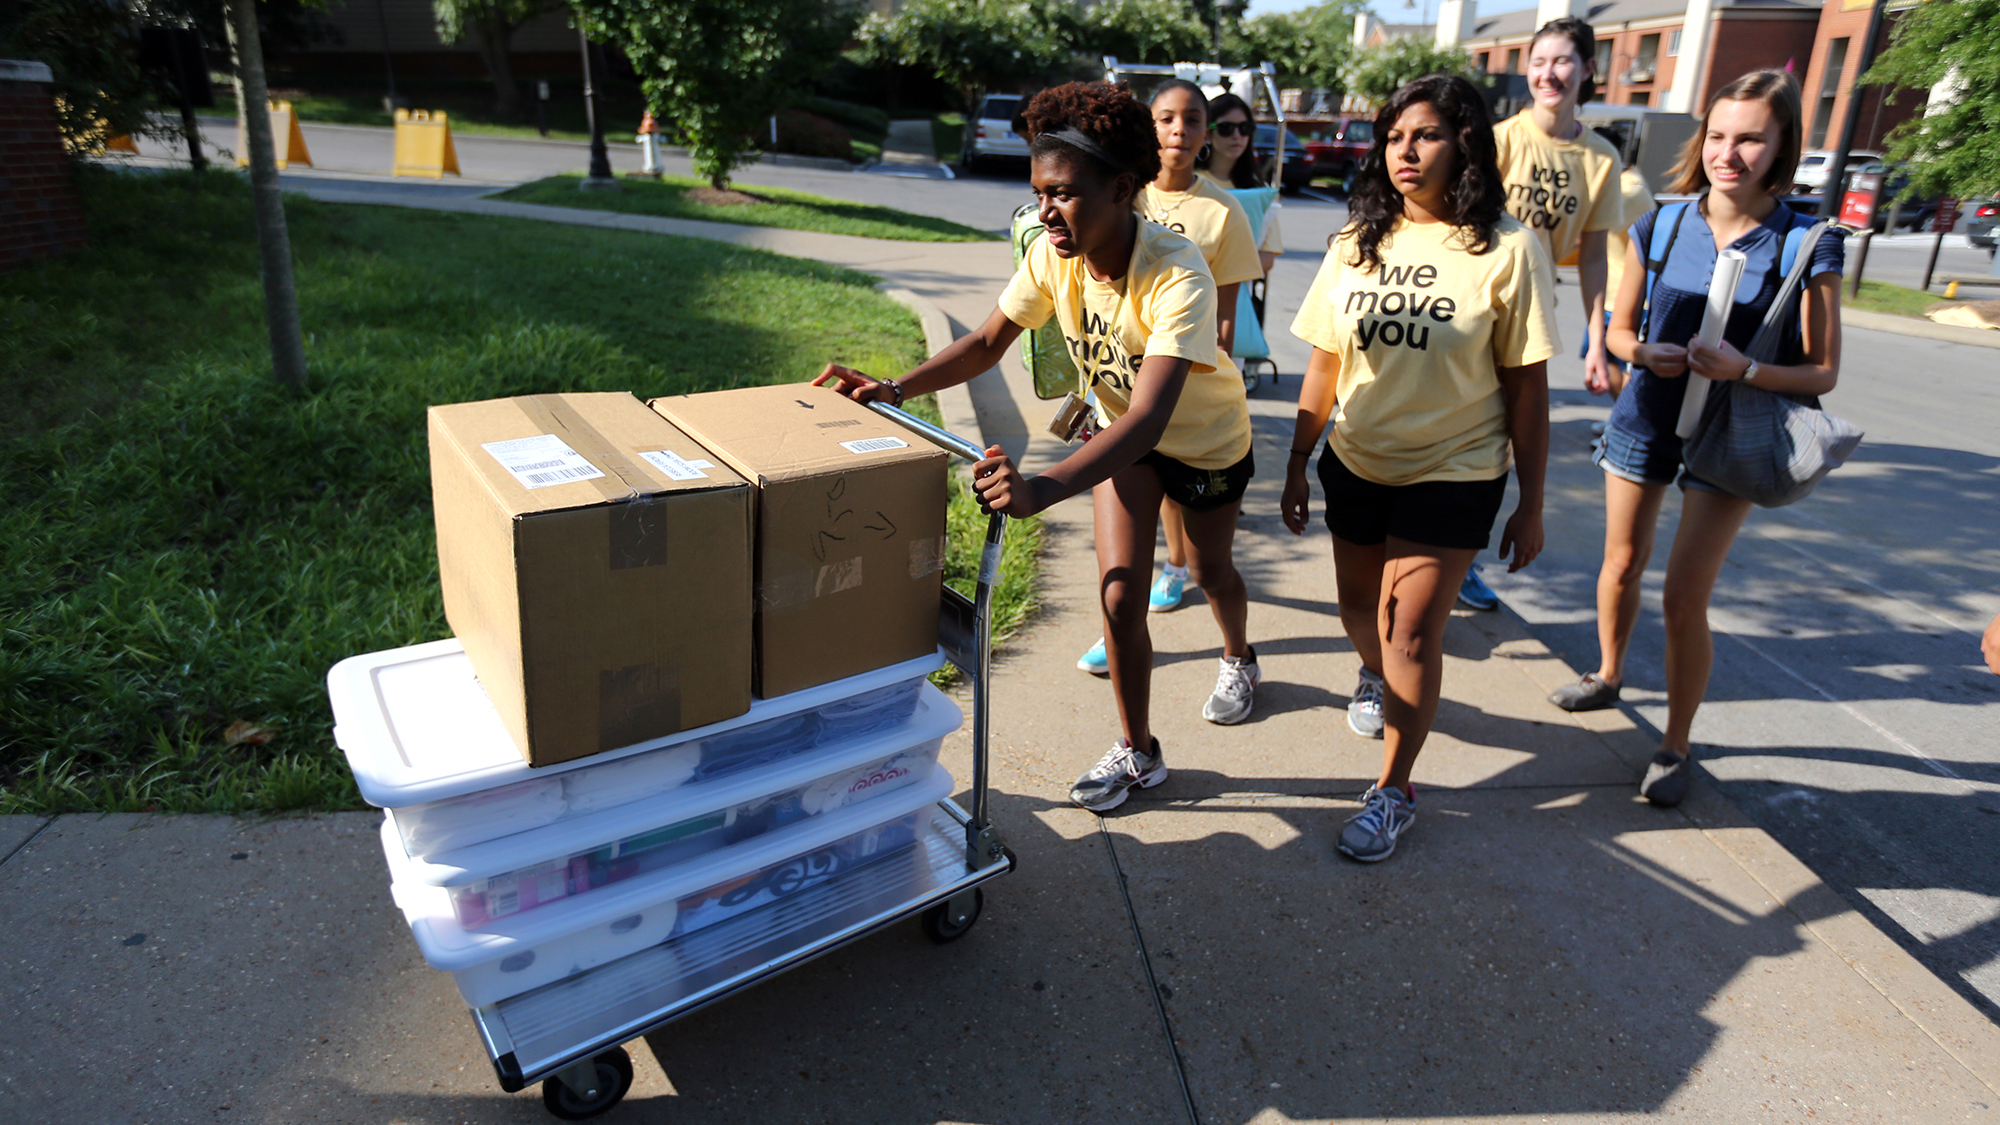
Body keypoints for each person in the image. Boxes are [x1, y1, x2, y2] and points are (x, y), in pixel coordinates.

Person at [814, 81, 1256, 813]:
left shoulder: (1178, 272)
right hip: (1122, 441)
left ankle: (1238, 652)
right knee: (1120, 596)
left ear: (1122, 189)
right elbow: (988, 341)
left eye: (1064, 194)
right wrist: (894, 387)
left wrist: (1041, 489)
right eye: (1039, 193)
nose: (1046, 212)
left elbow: (1151, 417)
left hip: (1204, 444)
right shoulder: (1055, 255)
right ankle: (1140, 750)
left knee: (1211, 570)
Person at [1545, 70, 1846, 809]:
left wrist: (1746, 368)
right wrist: (1640, 353)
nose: (1728, 154)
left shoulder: (1807, 242)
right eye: (1718, 136)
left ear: (1782, 147)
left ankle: (1675, 743)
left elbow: (1823, 370)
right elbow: (1618, 330)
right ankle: (1608, 673)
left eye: (1751, 139)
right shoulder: (1663, 224)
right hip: (1646, 415)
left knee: (1684, 597)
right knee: (1621, 564)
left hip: (1733, 430)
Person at [1282, 75, 1556, 861]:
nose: (1406, 151)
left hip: (1456, 469)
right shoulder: (1355, 243)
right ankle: (1375, 674)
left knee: (1409, 630)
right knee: (1359, 613)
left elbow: (1527, 388)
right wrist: (1299, 460)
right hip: (1357, 459)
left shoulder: (1508, 247)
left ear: (1464, 144)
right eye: (1395, 137)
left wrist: (1531, 500)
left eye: (1427, 135)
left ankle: (1393, 789)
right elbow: (1324, 363)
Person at [1074, 79, 1264, 733]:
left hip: (1193, 411)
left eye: (1192, 119)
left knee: (1213, 563)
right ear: (1147, 127)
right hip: (1124, 406)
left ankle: (1237, 653)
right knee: (1122, 576)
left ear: (1207, 133)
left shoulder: (1222, 212)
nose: (1178, 130)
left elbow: (1225, 321)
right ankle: (1126, 623)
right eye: (1164, 118)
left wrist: (1188, 379)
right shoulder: (1119, 193)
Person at [1458, 15, 1624, 614]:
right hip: (1471, 311)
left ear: (1588, 69)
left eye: (1562, 61)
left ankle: (1462, 558)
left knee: (1504, 439)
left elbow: (1596, 257)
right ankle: (1443, 550)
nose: (1549, 73)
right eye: (1539, 61)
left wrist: (1598, 343)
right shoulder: (1499, 140)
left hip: (1530, 320)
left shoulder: (1601, 158)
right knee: (1461, 429)